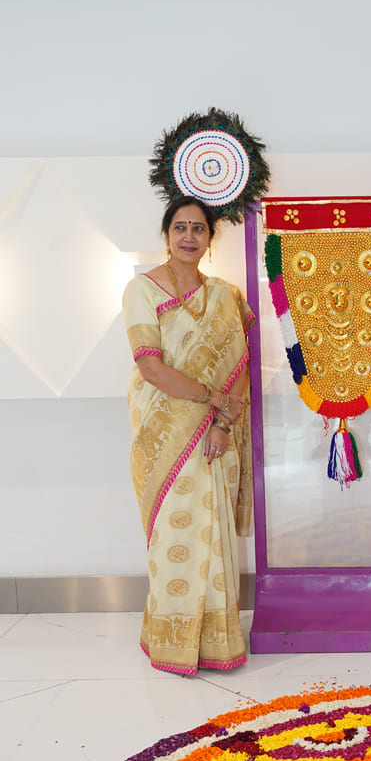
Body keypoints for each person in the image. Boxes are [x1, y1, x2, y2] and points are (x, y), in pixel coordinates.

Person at [122, 196, 254, 676]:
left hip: (214, 433)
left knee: (211, 532)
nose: (189, 236)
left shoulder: (226, 296)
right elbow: (151, 368)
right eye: (180, 227)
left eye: (199, 228)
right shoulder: (142, 289)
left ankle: (216, 641)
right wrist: (212, 398)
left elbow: (241, 365)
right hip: (164, 436)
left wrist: (222, 423)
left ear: (210, 238)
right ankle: (172, 642)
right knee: (174, 537)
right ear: (167, 234)